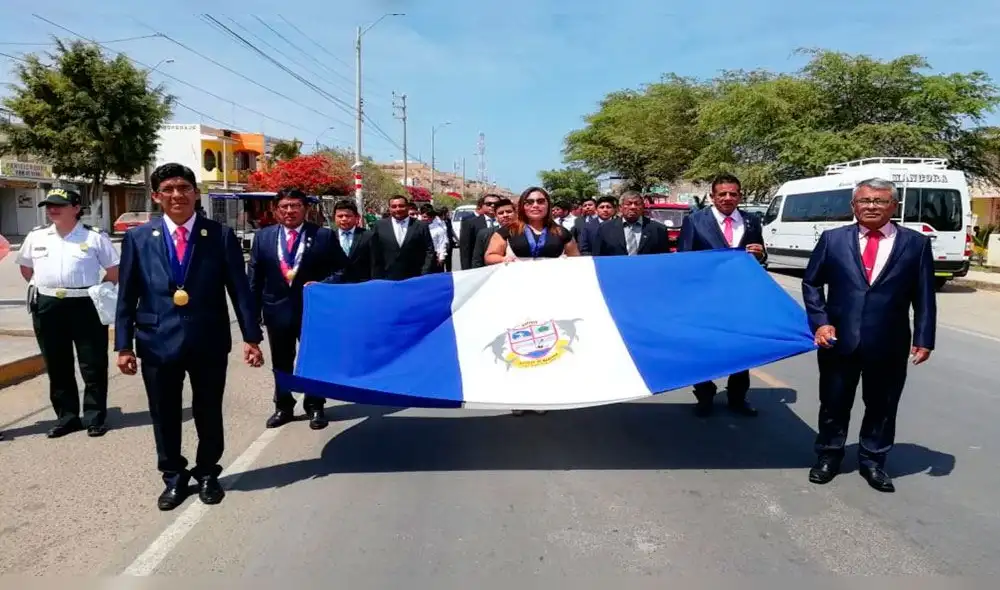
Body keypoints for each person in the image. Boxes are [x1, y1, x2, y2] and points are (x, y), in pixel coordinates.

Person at [115, 163, 264, 511]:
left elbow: (239, 291)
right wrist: (123, 345)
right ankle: (173, 477)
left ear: (195, 193)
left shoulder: (220, 235)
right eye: (168, 189)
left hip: (208, 339)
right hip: (155, 340)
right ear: (156, 196)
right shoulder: (138, 239)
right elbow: (127, 295)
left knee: (208, 410)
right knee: (164, 414)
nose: (177, 195)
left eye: (184, 187)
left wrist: (252, 338)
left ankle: (209, 472)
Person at [802, 177, 936, 493]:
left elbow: (925, 296)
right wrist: (821, 322)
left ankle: (873, 461)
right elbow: (811, 283)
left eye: (879, 201)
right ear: (853, 206)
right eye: (865, 201)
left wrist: (924, 337)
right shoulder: (833, 240)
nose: (871, 206)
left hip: (889, 342)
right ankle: (829, 456)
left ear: (894, 206)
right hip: (838, 341)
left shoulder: (915, 244)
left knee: (882, 406)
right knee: (834, 403)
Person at [14, 188, 119, 438]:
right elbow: (27, 269)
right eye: (49, 205)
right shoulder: (37, 236)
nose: (52, 209)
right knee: (57, 364)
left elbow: (113, 270)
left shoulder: (94, 237)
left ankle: (94, 417)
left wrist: (100, 291)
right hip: (48, 306)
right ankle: (67, 417)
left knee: (92, 364)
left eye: (59, 205)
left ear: (75, 208)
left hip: (85, 305)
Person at [248, 188, 347, 431]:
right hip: (276, 310)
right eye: (284, 206)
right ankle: (283, 406)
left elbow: (343, 270)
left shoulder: (323, 236)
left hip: (313, 311)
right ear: (276, 210)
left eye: (295, 206)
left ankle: (315, 406)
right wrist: (251, 316)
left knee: (313, 359)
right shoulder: (263, 237)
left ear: (306, 209)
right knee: (281, 361)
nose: (290, 211)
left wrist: (323, 285)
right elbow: (254, 279)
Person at [484, 187, 581, 416]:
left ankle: (541, 394)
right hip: (516, 294)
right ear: (522, 206)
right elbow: (489, 256)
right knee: (519, 342)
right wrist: (504, 259)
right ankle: (518, 395)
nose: (535, 205)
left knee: (545, 343)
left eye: (540, 201)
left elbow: (578, 260)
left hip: (549, 295)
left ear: (547, 205)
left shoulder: (560, 232)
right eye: (529, 201)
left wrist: (567, 264)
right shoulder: (509, 230)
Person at [677, 173, 767, 418]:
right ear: (712, 196)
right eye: (722, 194)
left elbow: (760, 255)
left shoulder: (751, 221)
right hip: (706, 299)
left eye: (733, 194)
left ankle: (738, 397)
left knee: (742, 348)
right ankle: (704, 395)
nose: (728, 198)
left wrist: (760, 254)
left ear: (739, 196)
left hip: (740, 299)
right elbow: (684, 260)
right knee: (705, 348)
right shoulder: (695, 221)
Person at [371, 195, 436, 280]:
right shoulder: (379, 226)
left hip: (415, 277)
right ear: (389, 208)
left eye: (401, 206)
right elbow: (374, 253)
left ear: (408, 207)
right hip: (387, 278)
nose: (398, 209)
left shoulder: (420, 226)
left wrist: (424, 272)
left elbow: (429, 250)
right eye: (394, 206)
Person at [592, 191, 670, 256]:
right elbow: (598, 257)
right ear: (620, 207)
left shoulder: (658, 229)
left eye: (637, 204)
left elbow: (664, 259)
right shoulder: (605, 229)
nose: (633, 207)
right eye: (628, 204)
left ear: (643, 207)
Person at [329, 200, 375, 283]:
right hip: (336, 286)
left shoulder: (368, 236)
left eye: (348, 216)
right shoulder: (328, 237)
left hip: (361, 285)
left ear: (357, 217)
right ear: (334, 218)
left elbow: (375, 264)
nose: (344, 219)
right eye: (340, 216)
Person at [471, 198, 517, 268]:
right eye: (501, 213)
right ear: (496, 216)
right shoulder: (484, 234)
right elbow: (477, 261)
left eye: (509, 212)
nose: (505, 215)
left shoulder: (524, 232)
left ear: (515, 213)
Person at [458, 194, 500, 270]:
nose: (493, 206)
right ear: (482, 206)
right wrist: (466, 271)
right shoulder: (470, 223)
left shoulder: (506, 223)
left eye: (496, 204)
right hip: (479, 268)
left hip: (500, 266)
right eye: (489, 204)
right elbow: (465, 250)